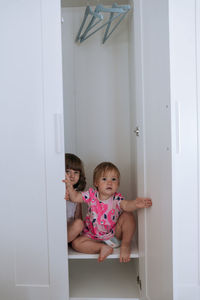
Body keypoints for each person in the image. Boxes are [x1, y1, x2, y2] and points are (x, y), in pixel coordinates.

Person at [63, 161, 152, 262]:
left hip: (113, 236)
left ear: (118, 184)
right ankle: (102, 248)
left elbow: (126, 205)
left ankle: (126, 245)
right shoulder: (91, 195)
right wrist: (69, 186)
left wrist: (135, 204)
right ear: (96, 183)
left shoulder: (117, 198)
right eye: (104, 179)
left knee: (128, 215)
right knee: (76, 243)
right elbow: (75, 197)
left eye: (113, 179)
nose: (109, 183)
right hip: (92, 236)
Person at [65, 153, 86, 243]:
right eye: (67, 171)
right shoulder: (54, 191)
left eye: (76, 172)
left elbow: (78, 216)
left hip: (69, 229)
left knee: (79, 224)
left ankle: (67, 241)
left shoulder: (77, 195)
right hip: (55, 228)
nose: (72, 175)